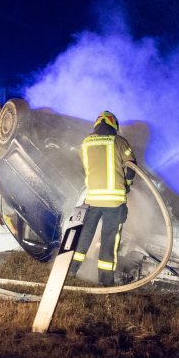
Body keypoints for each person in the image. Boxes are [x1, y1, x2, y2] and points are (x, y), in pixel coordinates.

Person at [71, 110, 135, 286]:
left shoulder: (85, 143)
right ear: (114, 125)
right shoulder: (120, 142)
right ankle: (105, 282)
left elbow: (85, 165)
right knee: (109, 241)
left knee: (84, 236)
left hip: (92, 200)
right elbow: (131, 168)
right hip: (114, 203)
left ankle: (70, 271)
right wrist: (127, 184)